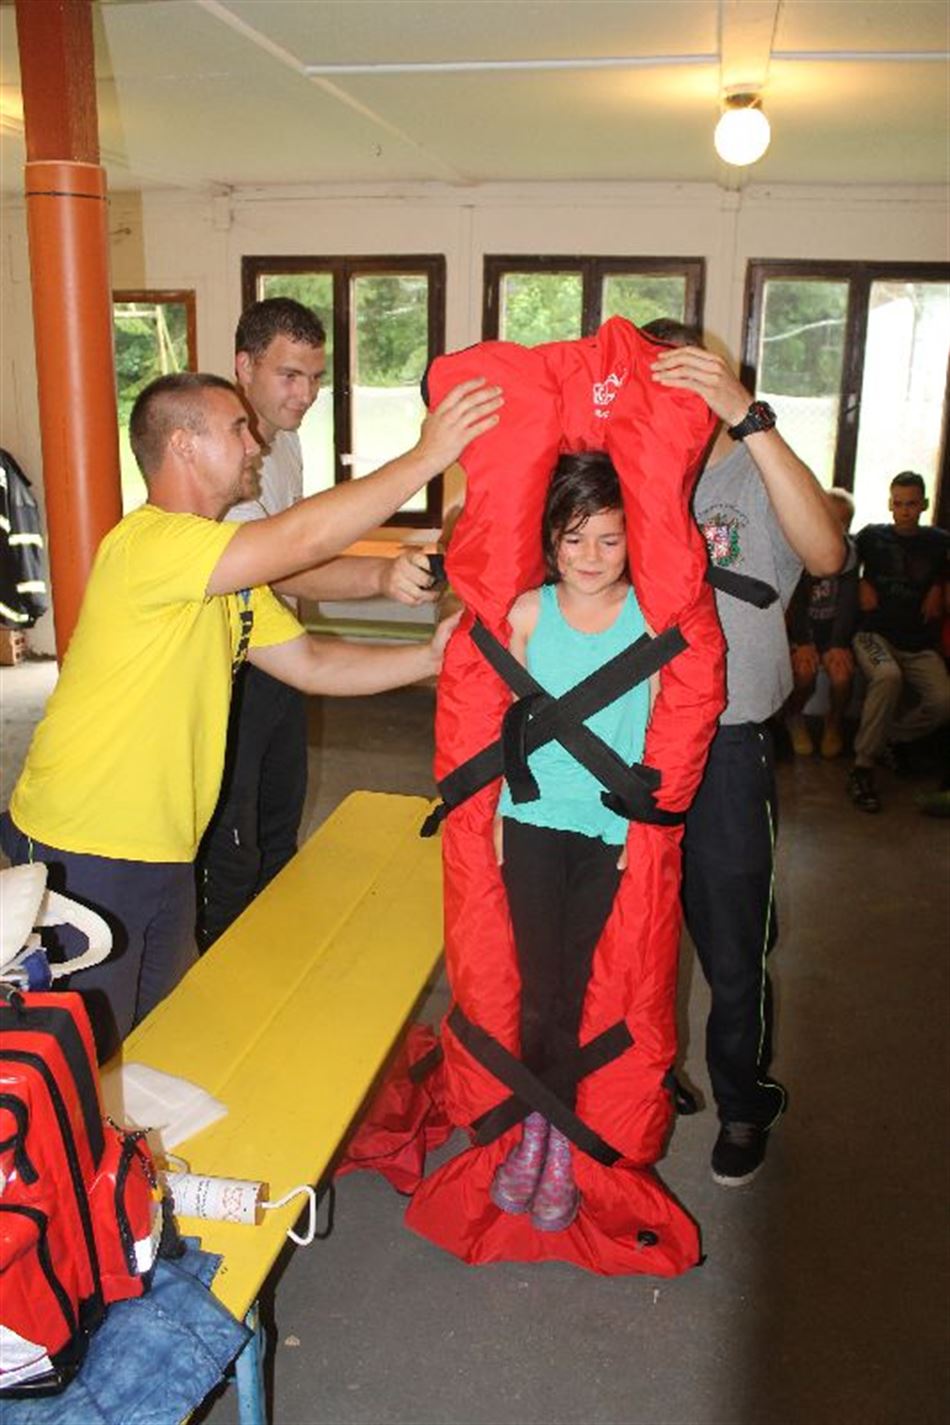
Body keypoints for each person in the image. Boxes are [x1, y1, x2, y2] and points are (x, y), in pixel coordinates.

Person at [0, 370, 501, 1057]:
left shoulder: (224, 577)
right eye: (237, 428)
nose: (255, 443)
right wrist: (426, 458)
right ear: (183, 444)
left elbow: (313, 664)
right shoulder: (149, 544)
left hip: (167, 852)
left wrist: (429, 660)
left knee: (159, 1044)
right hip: (83, 848)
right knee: (73, 1057)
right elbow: (300, 540)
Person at [646, 319, 845, 1187]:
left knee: (732, 947)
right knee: (633, 936)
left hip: (727, 746)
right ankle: (644, 1075)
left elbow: (827, 552)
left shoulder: (755, 471)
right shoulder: (632, 469)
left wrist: (747, 414)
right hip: (631, 743)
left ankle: (743, 1101)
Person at [197, 298, 442, 949]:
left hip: (280, 658)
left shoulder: (285, 442)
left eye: (314, 377)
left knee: (279, 829)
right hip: (229, 672)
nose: (305, 395)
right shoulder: (224, 460)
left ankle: (277, 963)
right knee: (232, 852)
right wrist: (380, 577)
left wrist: (388, 570)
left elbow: (299, 551)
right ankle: (225, 982)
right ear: (244, 366)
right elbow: (280, 564)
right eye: (289, 375)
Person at [489, 451, 652, 1232]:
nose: (591, 556)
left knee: (581, 987)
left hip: (608, 829)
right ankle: (537, 1127)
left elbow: (661, 731)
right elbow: (507, 730)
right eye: (574, 538)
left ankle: (558, 1140)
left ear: (633, 541)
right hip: (533, 821)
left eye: (609, 540)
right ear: (551, 539)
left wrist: (641, 831)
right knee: (538, 988)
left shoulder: (649, 619)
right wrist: (497, 817)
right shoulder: (529, 612)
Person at [847, 471, 950, 813]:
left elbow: (945, 568)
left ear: (924, 504)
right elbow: (840, 560)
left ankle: (887, 736)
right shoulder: (871, 536)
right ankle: (862, 767)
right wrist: (860, 581)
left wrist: (939, 585)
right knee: (887, 676)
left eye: (912, 504)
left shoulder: (939, 541)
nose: (905, 511)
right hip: (875, 634)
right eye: (899, 503)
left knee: (944, 700)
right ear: (890, 504)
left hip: (919, 642)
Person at [784, 487, 858, 759]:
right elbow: (795, 603)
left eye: (841, 523)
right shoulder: (801, 547)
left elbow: (848, 603)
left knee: (842, 674)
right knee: (804, 672)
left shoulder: (850, 554)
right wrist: (803, 642)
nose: (833, 528)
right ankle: (794, 716)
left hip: (832, 633)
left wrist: (838, 644)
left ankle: (833, 722)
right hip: (804, 632)